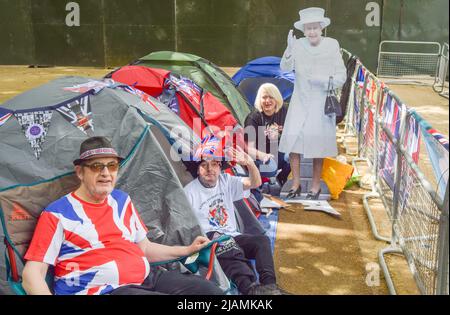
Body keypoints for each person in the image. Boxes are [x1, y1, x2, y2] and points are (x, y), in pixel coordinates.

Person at [21, 136, 223, 295]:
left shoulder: (121, 200)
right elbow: (32, 274)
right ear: (80, 172)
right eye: (96, 166)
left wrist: (186, 250)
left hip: (147, 279)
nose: (106, 173)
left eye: (112, 166)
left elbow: (144, 248)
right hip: (103, 290)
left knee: (211, 292)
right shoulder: (57, 214)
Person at [183, 138, 287, 295]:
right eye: (204, 165)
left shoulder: (226, 181)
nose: (209, 169)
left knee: (261, 240)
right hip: (210, 240)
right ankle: (250, 290)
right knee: (226, 242)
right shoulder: (189, 192)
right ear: (198, 170)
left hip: (233, 235)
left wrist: (250, 164)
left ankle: (270, 287)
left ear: (220, 167)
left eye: (213, 164)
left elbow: (255, 183)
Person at [279, 7, 347, 199]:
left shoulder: (332, 45)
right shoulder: (299, 45)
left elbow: (342, 76)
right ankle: (296, 184)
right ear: (304, 30)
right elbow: (284, 67)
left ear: (321, 27)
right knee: (294, 144)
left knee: (319, 146)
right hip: (300, 102)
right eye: (308, 28)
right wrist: (289, 49)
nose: (312, 32)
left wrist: (323, 80)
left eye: (315, 27)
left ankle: (315, 187)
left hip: (321, 103)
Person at [244, 83, 291, 191]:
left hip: (279, 153)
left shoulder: (284, 111)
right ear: (259, 100)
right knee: (270, 166)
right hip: (259, 156)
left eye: (271, 97)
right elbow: (248, 148)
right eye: (264, 97)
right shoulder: (253, 118)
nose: (267, 101)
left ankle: (281, 179)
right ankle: (258, 185)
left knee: (292, 156)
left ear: (277, 99)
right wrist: (263, 155)